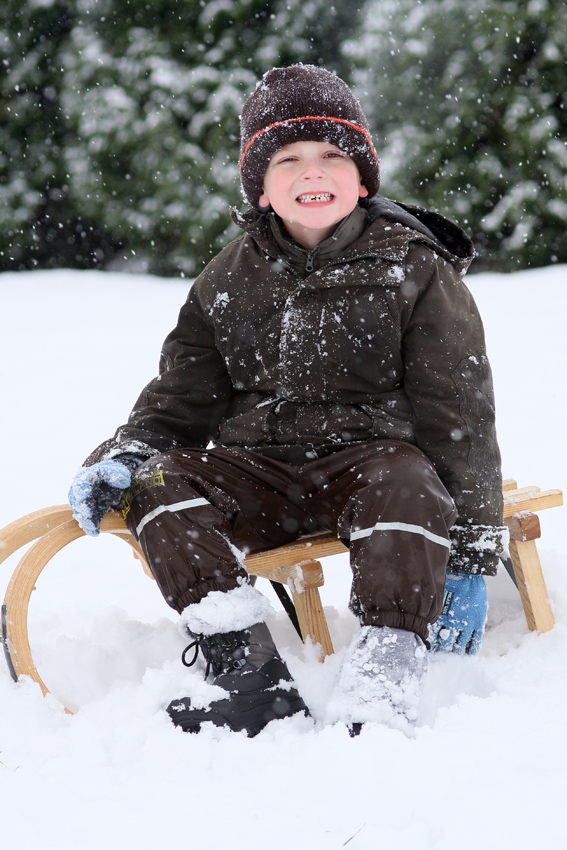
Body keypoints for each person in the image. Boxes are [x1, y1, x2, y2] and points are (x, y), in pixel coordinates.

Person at [68, 65, 506, 737]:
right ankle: (244, 672)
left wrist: (471, 551)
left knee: (408, 480)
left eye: (333, 155)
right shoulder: (226, 276)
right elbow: (180, 403)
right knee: (157, 481)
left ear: (361, 178)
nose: (313, 172)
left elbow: (460, 418)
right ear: (261, 188)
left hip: (370, 466)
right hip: (260, 474)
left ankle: (384, 670)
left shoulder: (413, 268)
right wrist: (126, 454)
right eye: (288, 159)